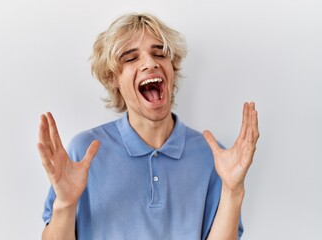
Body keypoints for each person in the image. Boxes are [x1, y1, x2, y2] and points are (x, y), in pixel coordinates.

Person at [38, 13, 259, 240]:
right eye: (131, 58)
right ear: (113, 78)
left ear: (172, 68)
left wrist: (233, 190)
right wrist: (65, 204)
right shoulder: (85, 152)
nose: (150, 63)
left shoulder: (212, 156)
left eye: (159, 54)